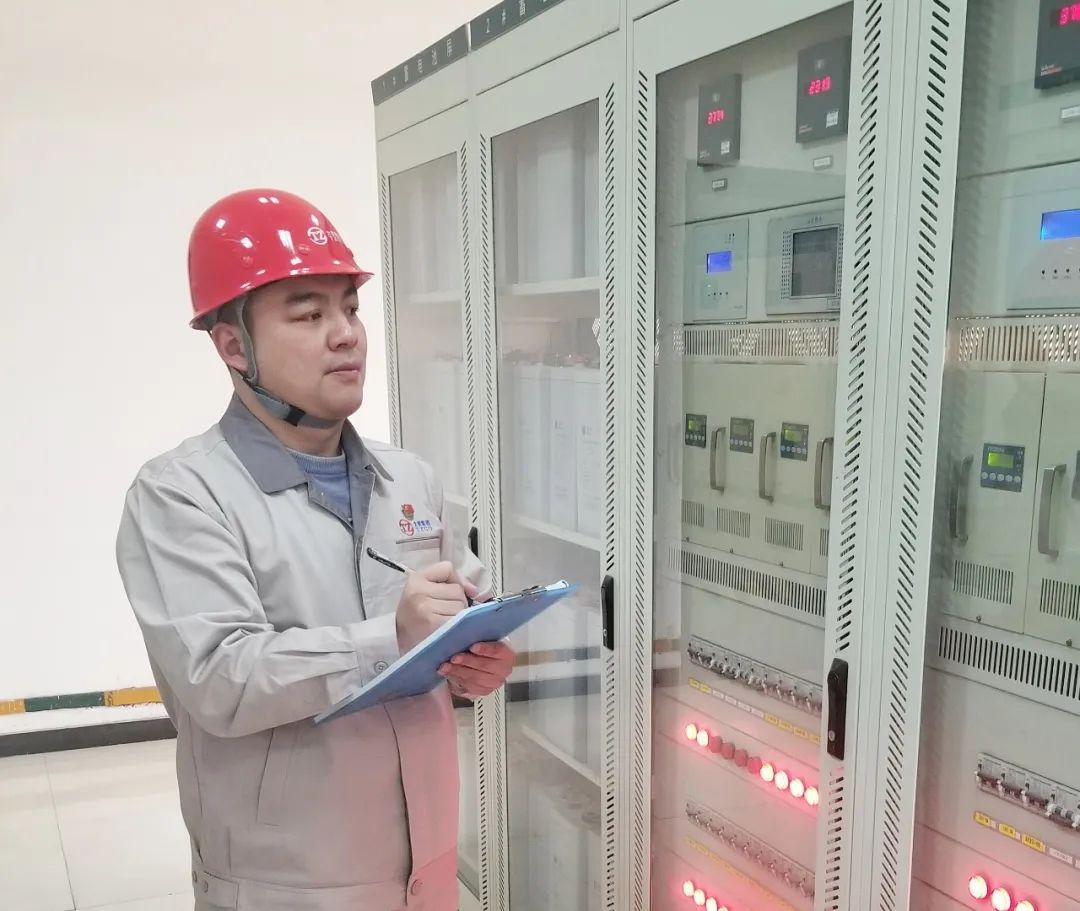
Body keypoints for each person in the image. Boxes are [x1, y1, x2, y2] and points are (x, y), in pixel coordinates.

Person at [115, 188, 515, 911]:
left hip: (428, 863)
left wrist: (474, 657)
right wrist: (391, 637)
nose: (346, 335)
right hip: (289, 883)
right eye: (308, 314)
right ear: (233, 346)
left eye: (350, 309)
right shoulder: (181, 495)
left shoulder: (406, 477)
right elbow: (219, 678)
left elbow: (454, 609)